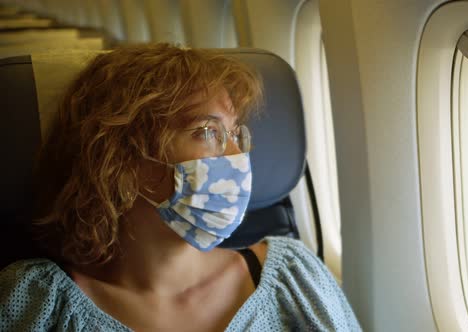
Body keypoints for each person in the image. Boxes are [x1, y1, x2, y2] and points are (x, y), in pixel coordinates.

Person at [0, 43, 361, 331]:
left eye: (236, 134)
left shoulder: (294, 278)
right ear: (120, 158)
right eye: (208, 132)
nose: (238, 156)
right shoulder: (36, 301)